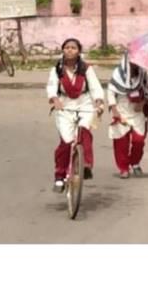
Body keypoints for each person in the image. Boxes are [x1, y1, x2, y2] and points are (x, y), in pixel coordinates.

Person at [46, 38, 105, 192]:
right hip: (65, 106)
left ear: (79, 51)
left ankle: (86, 165)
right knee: (66, 142)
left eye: (73, 47)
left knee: (84, 131)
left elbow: (95, 87)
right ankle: (59, 176)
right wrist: (55, 100)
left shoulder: (86, 69)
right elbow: (51, 87)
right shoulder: (57, 69)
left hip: (84, 103)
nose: (70, 50)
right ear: (63, 50)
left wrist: (98, 102)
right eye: (67, 47)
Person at [106, 54, 148, 179]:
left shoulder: (143, 74)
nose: (135, 64)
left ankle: (135, 162)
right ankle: (123, 168)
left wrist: (142, 103)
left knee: (139, 140)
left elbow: (147, 92)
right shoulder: (117, 73)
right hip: (121, 109)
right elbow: (110, 92)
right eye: (133, 61)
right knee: (121, 142)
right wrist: (115, 112)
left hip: (136, 111)